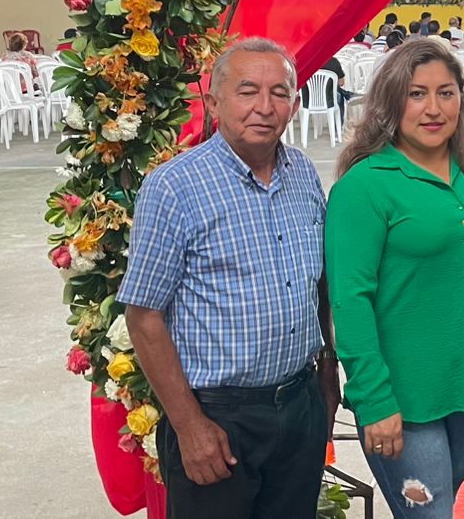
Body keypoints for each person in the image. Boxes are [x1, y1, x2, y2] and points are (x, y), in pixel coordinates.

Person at [119, 38, 338, 519]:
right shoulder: (174, 187)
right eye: (248, 91)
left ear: (294, 104)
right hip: (218, 417)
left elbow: (319, 282)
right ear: (214, 103)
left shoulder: (302, 173)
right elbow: (144, 316)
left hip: (298, 405)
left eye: (280, 93)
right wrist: (188, 425)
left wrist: (327, 365)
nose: (265, 107)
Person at [327, 39, 464, 517]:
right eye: (416, 94)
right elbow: (350, 300)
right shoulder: (365, 185)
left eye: (446, 93)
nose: (433, 109)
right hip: (402, 397)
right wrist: (374, 400)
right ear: (391, 101)